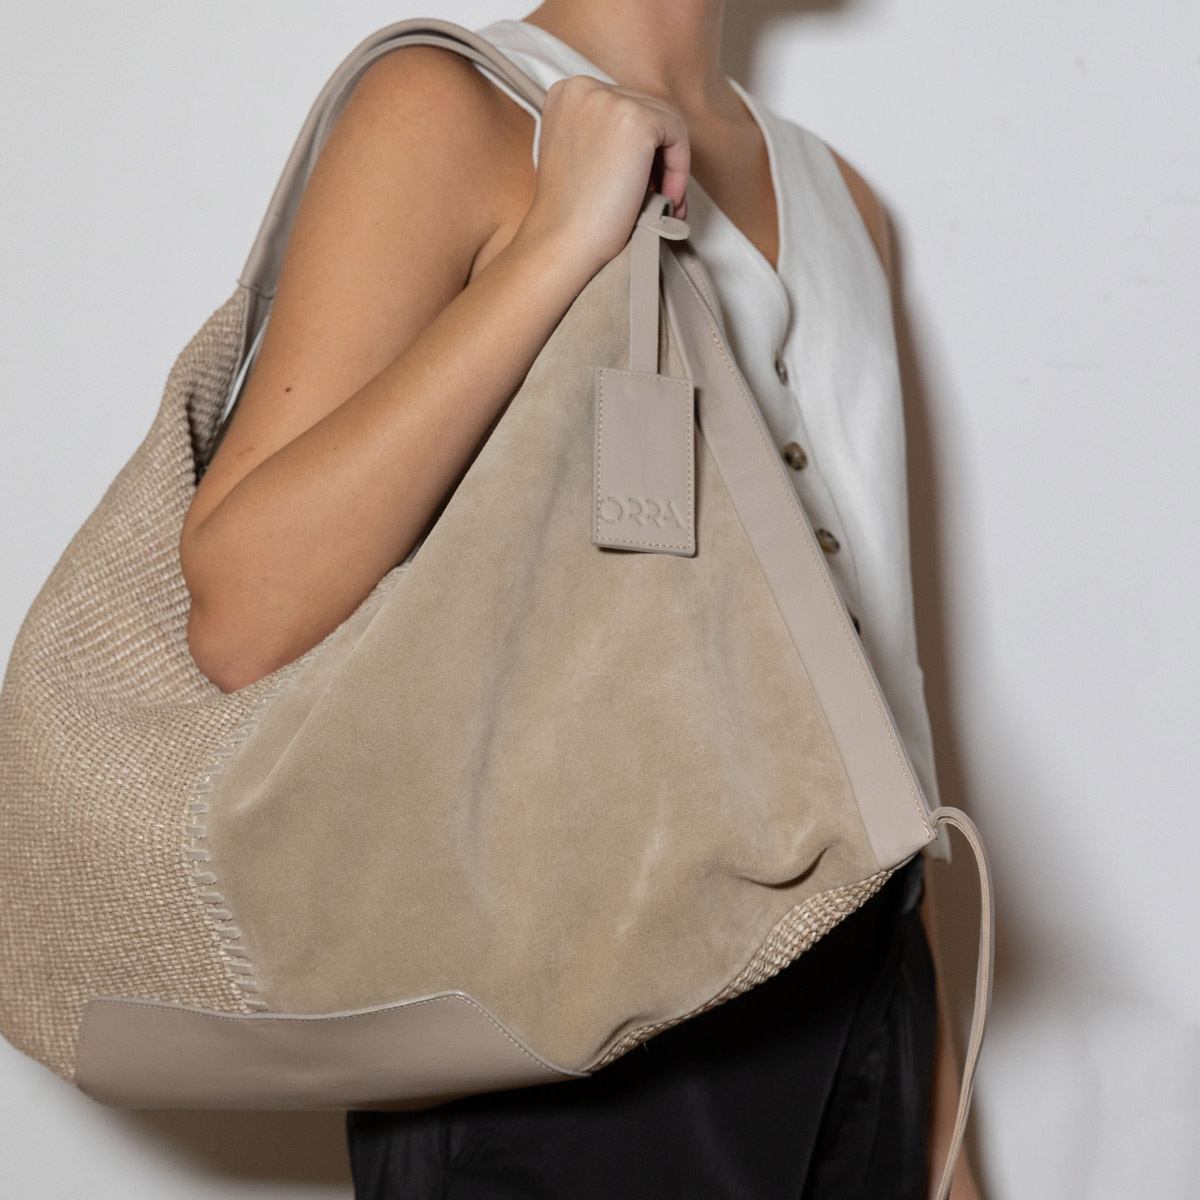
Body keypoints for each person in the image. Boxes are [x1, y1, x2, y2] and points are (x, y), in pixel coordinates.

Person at [179, 2, 981, 1196]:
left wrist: (938, 1126)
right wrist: (561, 239)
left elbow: (874, 701)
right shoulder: (448, 106)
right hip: (570, 1021)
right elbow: (244, 614)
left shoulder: (841, 199)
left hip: (868, 1000)